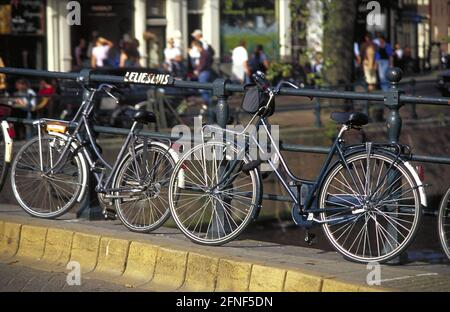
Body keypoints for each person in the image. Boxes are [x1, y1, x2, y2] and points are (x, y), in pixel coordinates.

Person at [192, 40, 214, 122]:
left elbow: (203, 63)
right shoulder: (206, 53)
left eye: (195, 46)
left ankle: (207, 106)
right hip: (206, 72)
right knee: (205, 89)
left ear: (198, 46)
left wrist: (198, 70)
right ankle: (208, 107)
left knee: (203, 89)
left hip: (204, 73)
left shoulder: (204, 53)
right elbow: (210, 61)